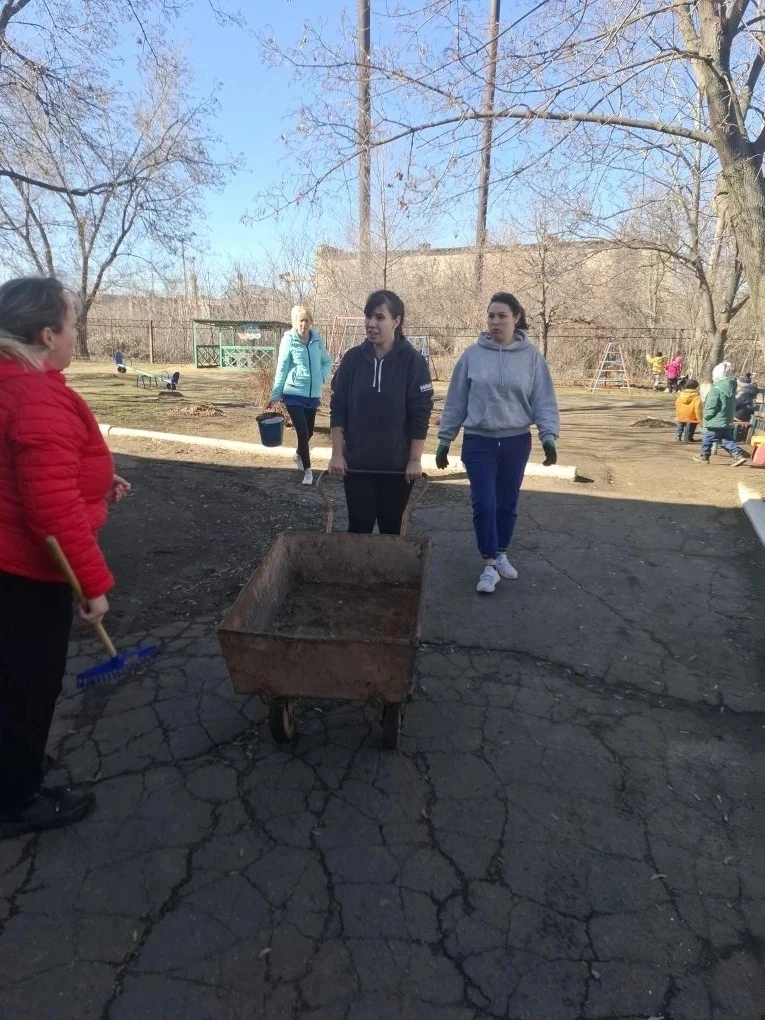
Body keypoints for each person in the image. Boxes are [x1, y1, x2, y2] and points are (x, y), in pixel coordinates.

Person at [0, 276, 128, 838]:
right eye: (73, 324)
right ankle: (15, 798)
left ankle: (14, 762)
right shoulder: (36, 396)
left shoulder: (13, 384)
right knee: (28, 685)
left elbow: (35, 476)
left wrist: (96, 486)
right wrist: (93, 585)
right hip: (25, 574)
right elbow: (50, 512)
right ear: (47, 334)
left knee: (10, 680)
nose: (77, 334)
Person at [435, 292, 560, 594]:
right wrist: (445, 439)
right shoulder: (472, 356)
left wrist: (548, 436)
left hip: (516, 441)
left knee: (507, 502)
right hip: (479, 441)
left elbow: (543, 399)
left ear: (516, 318)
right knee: (484, 501)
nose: (495, 321)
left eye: (502, 316)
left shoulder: (531, 357)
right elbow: (456, 400)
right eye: (491, 316)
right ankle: (489, 563)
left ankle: (501, 552)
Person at [328, 289, 433, 534]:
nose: (371, 324)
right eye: (368, 317)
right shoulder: (352, 360)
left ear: (396, 321)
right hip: (357, 465)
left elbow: (420, 414)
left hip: (397, 467)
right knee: (359, 528)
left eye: (379, 317)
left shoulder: (413, 362)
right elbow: (339, 407)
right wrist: (337, 454)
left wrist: (415, 459)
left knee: (391, 531)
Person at [269, 305, 332, 486]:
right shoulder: (288, 340)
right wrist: (275, 394)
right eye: (300, 320)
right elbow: (282, 367)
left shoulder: (317, 339)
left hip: (312, 395)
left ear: (311, 321)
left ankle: (298, 454)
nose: (304, 324)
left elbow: (327, 361)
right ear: (294, 322)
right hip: (293, 393)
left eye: (306, 320)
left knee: (309, 432)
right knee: (303, 433)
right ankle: (308, 472)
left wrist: (321, 377)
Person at [693, 361, 748, 466]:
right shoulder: (732, 390)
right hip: (727, 420)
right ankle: (738, 455)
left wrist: (706, 416)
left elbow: (711, 406)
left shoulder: (715, 390)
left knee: (708, 438)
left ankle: (704, 456)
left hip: (715, 421)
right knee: (726, 439)